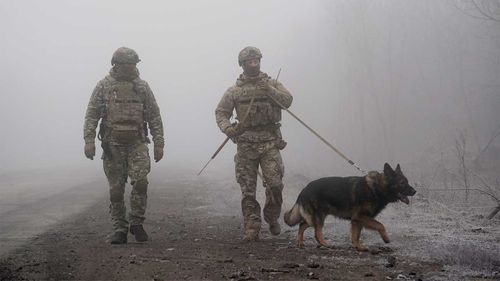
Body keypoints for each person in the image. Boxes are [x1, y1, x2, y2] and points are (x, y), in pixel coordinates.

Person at [83, 47, 165, 244]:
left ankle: (136, 222)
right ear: (115, 65)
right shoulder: (104, 86)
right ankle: (119, 227)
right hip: (113, 145)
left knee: (141, 182)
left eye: (132, 65)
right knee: (116, 189)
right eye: (125, 65)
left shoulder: (142, 87)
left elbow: (154, 115)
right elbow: (92, 114)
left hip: (137, 143)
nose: (129, 68)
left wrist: (159, 143)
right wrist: (89, 140)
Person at [215, 46, 293, 241]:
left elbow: (288, 101)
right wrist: (228, 129)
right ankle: (252, 225)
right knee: (248, 189)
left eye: (256, 60)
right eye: (250, 61)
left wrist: (270, 90)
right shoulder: (235, 91)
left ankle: (272, 216)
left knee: (275, 184)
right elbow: (221, 113)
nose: (254, 64)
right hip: (245, 145)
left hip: (269, 143)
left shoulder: (272, 83)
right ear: (242, 64)